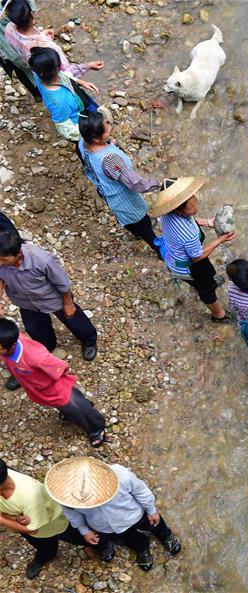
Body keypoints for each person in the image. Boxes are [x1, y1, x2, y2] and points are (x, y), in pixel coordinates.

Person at [46, 457, 181, 571]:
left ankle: (165, 535)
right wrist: (84, 531)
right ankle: (142, 546)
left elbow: (141, 491)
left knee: (154, 523)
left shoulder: (120, 476)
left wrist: (151, 510)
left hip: (134, 514)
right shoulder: (67, 497)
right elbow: (73, 515)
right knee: (126, 539)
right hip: (106, 527)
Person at [0, 318, 106, 447]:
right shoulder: (8, 344)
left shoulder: (36, 356)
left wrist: (66, 374)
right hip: (37, 387)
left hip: (55, 388)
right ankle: (74, 410)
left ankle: (96, 427)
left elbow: (62, 367)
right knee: (66, 406)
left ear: (11, 345)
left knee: (75, 405)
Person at [0, 230, 98, 362]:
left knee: (73, 319)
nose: (0, 262)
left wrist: (68, 303)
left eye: (3, 260)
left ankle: (89, 340)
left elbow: (62, 283)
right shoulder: (2, 261)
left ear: (18, 255)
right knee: (35, 329)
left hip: (51, 298)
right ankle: (48, 347)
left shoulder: (42, 260)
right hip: (25, 302)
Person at [149, 177, 235, 322]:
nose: (196, 209)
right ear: (177, 209)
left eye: (195, 203)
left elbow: (191, 220)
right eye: (191, 208)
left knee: (206, 279)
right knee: (206, 289)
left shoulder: (167, 213)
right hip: (189, 267)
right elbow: (197, 257)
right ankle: (218, 315)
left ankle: (207, 283)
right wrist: (220, 240)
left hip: (173, 257)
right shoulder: (187, 234)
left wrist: (209, 222)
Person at [77, 111, 162, 258]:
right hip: (126, 201)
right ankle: (159, 249)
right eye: (106, 126)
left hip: (109, 195)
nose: (110, 127)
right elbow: (135, 184)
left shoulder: (82, 143)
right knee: (144, 224)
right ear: (96, 138)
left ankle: (136, 232)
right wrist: (159, 184)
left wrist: (110, 143)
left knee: (128, 221)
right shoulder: (110, 160)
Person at [0, 458, 92, 579]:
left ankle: (104, 543)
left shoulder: (29, 496)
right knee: (45, 548)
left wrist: (2, 519)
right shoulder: (5, 479)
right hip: (27, 522)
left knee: (81, 536)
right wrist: (11, 518)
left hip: (53, 522)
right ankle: (45, 556)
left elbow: (32, 530)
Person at [5, 0, 102, 78]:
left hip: (36, 68)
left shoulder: (9, 29)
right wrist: (88, 66)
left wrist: (43, 35)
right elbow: (65, 72)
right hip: (51, 74)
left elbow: (25, 41)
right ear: (32, 14)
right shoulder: (47, 47)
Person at [28, 46, 102, 142]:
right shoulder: (59, 102)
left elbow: (63, 76)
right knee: (99, 131)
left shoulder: (39, 75)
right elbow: (65, 128)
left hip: (78, 99)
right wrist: (87, 135)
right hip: (81, 120)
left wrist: (80, 82)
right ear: (58, 68)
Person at [0, 0, 39, 101]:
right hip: (6, 46)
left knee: (33, 61)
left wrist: (30, 12)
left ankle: (42, 90)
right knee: (20, 69)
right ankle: (37, 93)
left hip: (20, 26)